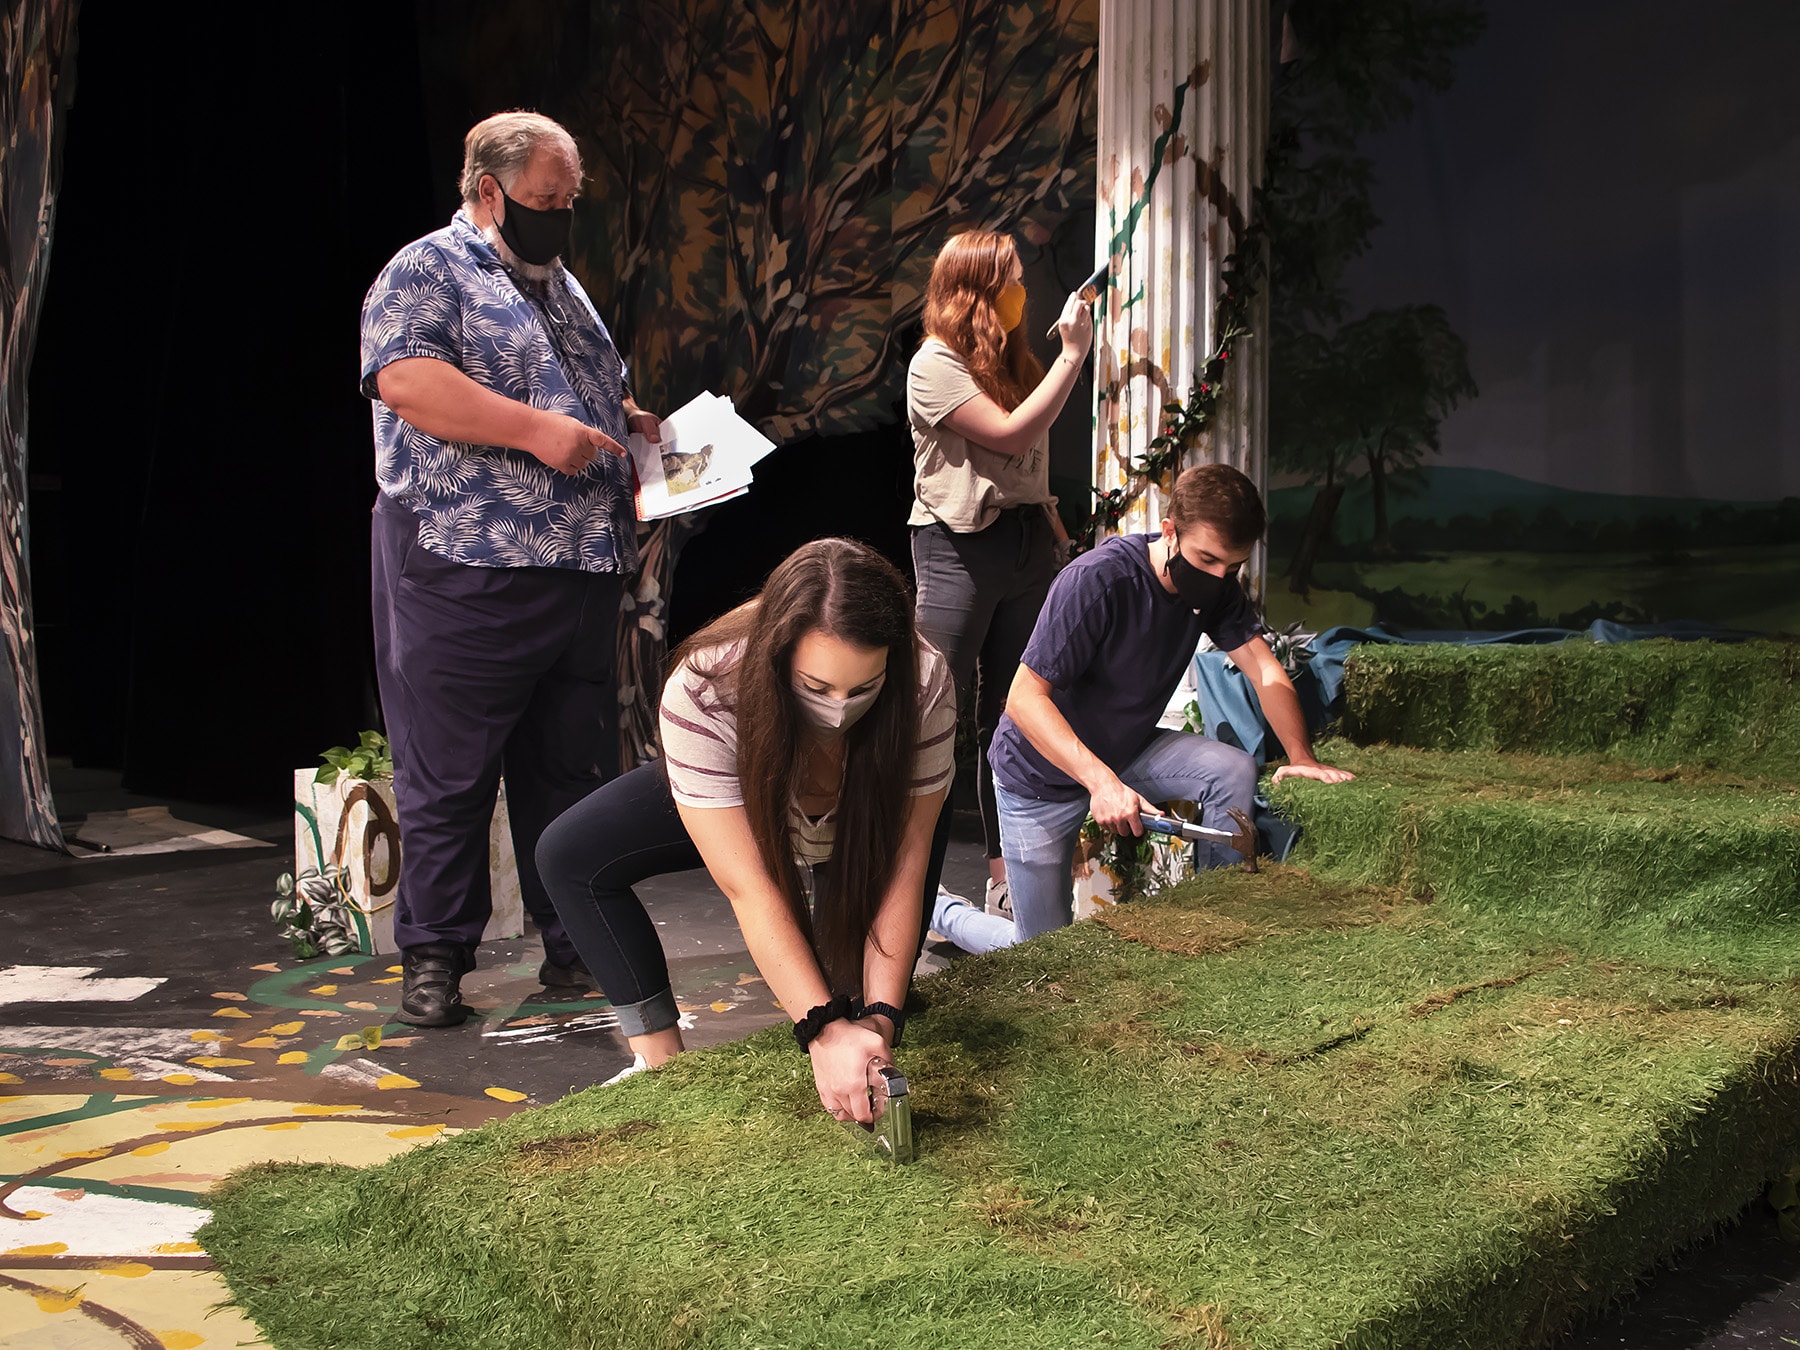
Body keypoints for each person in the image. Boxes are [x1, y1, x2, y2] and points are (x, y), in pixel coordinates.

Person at [360, 111, 663, 1027]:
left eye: (568, 203)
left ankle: (572, 945)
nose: (558, 218)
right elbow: (405, 379)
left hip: (575, 573)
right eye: (543, 201)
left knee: (567, 774)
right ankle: (436, 959)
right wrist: (541, 432)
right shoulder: (427, 269)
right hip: (468, 567)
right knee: (449, 775)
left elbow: (579, 392)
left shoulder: (560, 287)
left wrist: (637, 425)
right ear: (487, 191)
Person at [536, 539, 954, 1123]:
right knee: (569, 854)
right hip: (747, 794)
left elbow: (907, 860)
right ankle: (662, 1067)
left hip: (863, 814)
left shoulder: (925, 679)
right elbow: (749, 886)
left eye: (861, 690)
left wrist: (879, 1018)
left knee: (854, 1000)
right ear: (778, 658)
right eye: (816, 687)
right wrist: (820, 1028)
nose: (838, 711)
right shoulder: (706, 687)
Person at [989, 463, 1356, 939]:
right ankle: (944, 913)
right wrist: (1101, 783)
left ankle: (1218, 916)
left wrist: (1302, 756)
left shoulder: (1218, 589)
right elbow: (1023, 699)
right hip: (1038, 774)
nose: (1220, 576)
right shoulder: (1097, 581)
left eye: (1233, 566)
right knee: (1042, 950)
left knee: (1233, 769)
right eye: (1206, 560)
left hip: (1126, 750)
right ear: (1170, 532)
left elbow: (1266, 669)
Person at [907, 231, 1093, 922]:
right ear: (976, 290)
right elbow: (1010, 435)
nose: (1024, 292)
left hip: (1021, 547)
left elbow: (1026, 467)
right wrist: (1074, 355)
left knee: (1011, 718)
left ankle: (1004, 878)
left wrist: (1052, 534)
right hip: (958, 549)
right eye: (1011, 280)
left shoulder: (1009, 360)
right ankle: (907, 890)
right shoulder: (934, 364)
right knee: (933, 717)